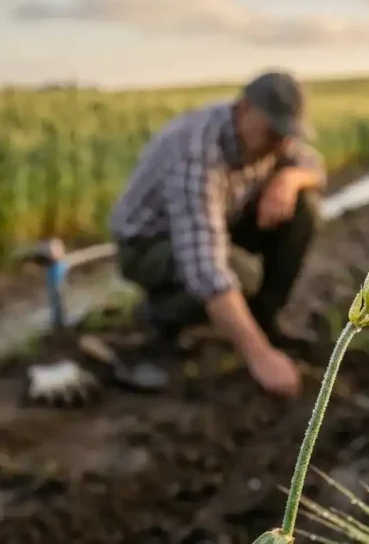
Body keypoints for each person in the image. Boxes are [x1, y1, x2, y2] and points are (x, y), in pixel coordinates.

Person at [108, 70, 327, 398]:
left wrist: (288, 180)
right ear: (243, 109)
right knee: (240, 274)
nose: (281, 143)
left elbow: (314, 166)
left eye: (287, 134)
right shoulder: (194, 151)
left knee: (303, 209)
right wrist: (260, 358)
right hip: (148, 245)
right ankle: (157, 321)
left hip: (219, 224)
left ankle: (264, 322)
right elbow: (206, 268)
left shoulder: (273, 142)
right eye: (273, 131)